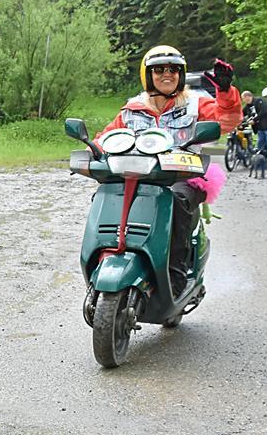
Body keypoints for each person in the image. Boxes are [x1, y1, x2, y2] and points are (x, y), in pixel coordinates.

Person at [96, 45, 241, 296]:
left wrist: (226, 92)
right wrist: (92, 150)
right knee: (107, 195)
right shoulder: (132, 108)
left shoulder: (195, 103)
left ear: (181, 74)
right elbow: (108, 137)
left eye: (173, 69)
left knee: (175, 200)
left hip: (185, 175)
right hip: (141, 174)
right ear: (147, 75)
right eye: (159, 70)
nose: (167, 74)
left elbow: (227, 120)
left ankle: (176, 274)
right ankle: (107, 257)